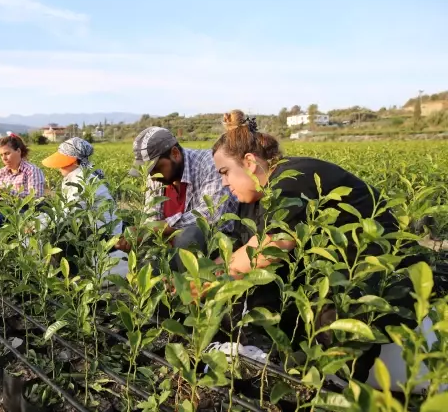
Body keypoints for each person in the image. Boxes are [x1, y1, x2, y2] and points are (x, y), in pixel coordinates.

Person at [206, 109, 436, 393]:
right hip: (339, 269)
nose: (224, 183)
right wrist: (212, 272)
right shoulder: (260, 196)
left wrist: (209, 280)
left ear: (250, 162)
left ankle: (340, 387)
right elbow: (243, 249)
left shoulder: (292, 179)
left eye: (225, 172)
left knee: (332, 323)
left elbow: (270, 247)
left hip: (383, 275)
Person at [115, 126, 238, 271]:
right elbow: (151, 218)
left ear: (175, 153)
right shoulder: (156, 177)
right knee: (147, 252)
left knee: (189, 236)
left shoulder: (208, 164)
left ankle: (193, 289)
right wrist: (138, 236)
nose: (153, 176)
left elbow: (211, 215)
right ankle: (162, 290)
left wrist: (156, 228)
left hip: (216, 246)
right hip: (172, 247)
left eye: (156, 168)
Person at [41, 137, 128, 279]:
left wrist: (38, 224)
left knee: (61, 232)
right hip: (96, 228)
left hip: (104, 234)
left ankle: (72, 277)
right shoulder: (77, 175)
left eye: (62, 162)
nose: (58, 167)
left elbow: (69, 213)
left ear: (74, 161)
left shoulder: (82, 179)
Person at [0, 131, 46, 226]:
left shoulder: (31, 170)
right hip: (3, 209)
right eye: (1, 155)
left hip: (24, 212)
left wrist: (7, 192)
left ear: (18, 151)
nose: (4, 158)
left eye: (7, 153)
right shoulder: (2, 172)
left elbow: (36, 198)